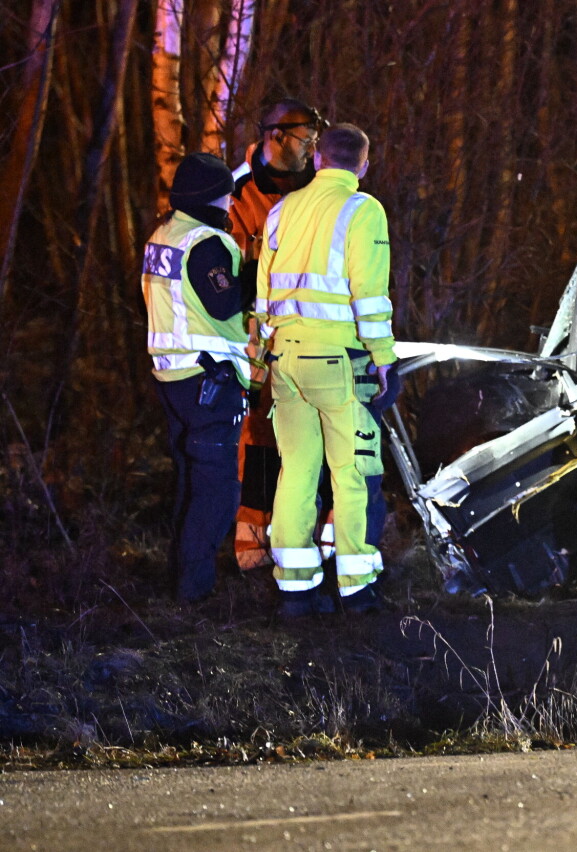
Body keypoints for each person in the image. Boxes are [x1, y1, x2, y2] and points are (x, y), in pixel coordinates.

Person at [254, 123, 396, 617]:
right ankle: (355, 585)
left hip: (284, 358)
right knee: (352, 470)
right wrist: (383, 358)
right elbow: (370, 295)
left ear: (316, 160)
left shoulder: (280, 210)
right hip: (338, 360)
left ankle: (295, 584)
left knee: (296, 469)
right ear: (364, 164)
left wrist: (263, 353)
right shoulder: (363, 210)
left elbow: (263, 292)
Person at [141, 152, 250, 602]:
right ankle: (195, 591)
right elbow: (224, 304)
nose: (230, 205)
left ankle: (181, 577)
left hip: (172, 379)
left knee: (190, 479)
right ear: (214, 197)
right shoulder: (207, 243)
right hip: (209, 380)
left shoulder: (164, 234)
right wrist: (257, 277)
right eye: (228, 196)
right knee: (217, 487)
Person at [228, 98, 328, 572]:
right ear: (276, 137)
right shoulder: (236, 195)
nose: (312, 150)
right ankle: (251, 552)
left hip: (309, 341)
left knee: (312, 445)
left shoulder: (318, 189)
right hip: (257, 346)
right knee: (259, 446)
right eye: (306, 140)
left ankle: (307, 547)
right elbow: (224, 279)